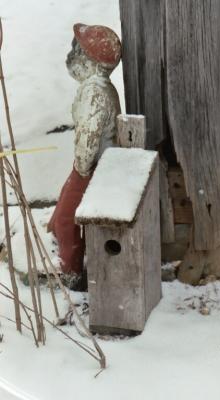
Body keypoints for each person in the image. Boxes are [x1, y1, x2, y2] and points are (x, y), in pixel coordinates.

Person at [48, 24, 121, 290]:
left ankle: (72, 274)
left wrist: (80, 169)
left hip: (92, 168)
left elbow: (89, 141)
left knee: (67, 220)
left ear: (89, 60)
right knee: (60, 215)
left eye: (76, 50)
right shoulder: (99, 87)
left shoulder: (94, 92)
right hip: (92, 165)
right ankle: (62, 258)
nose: (71, 55)